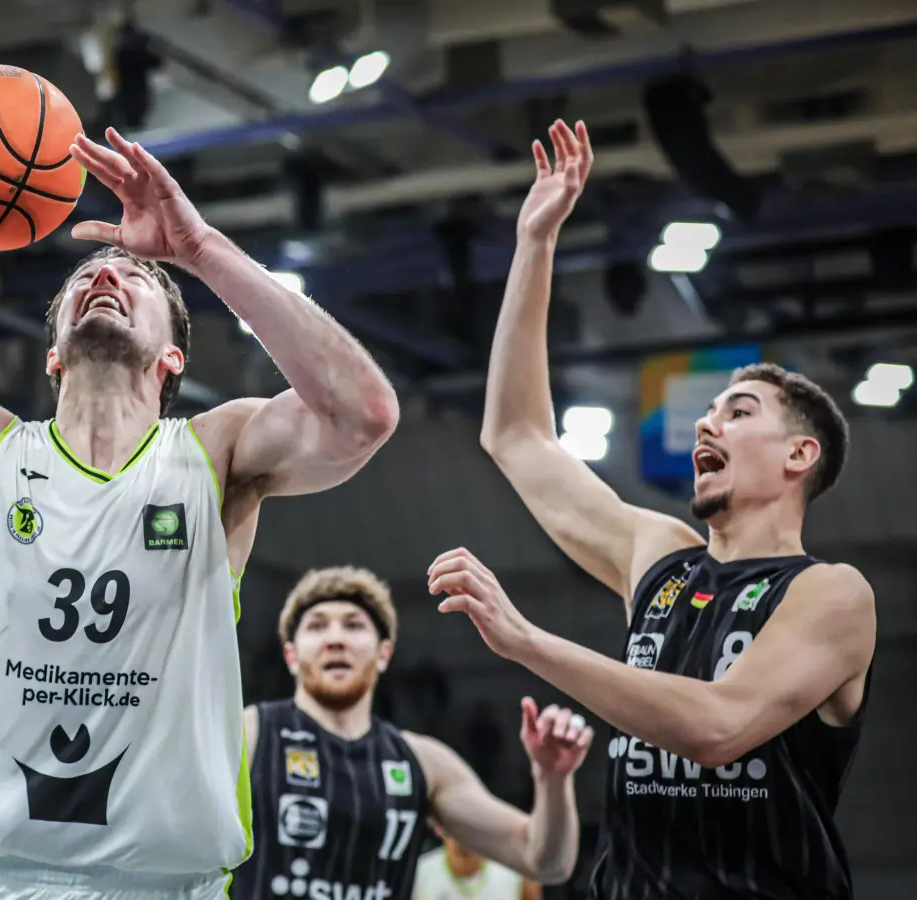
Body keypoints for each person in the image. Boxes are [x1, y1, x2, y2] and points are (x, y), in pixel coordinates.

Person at [0, 127, 399, 899]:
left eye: (133, 277)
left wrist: (201, 250)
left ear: (174, 358)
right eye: (85, 276)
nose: (104, 277)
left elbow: (364, 414)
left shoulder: (217, 454)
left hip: (168, 884)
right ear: (53, 355)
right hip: (4, 881)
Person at [448, 119, 875, 899]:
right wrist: (535, 245)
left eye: (739, 412)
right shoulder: (661, 558)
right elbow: (514, 434)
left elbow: (719, 728)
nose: (708, 423)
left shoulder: (832, 594)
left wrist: (528, 643)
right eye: (709, 412)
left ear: (799, 457)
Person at [234, 567, 590, 900]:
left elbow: (546, 862)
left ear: (384, 653)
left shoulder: (423, 762)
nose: (335, 639)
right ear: (291, 656)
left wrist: (551, 779)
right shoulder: (247, 732)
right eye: (317, 626)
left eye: (354, 625)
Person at [414, 825, 539, 900]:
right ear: (438, 827)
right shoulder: (417, 873)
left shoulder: (517, 871)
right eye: (456, 821)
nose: (462, 832)